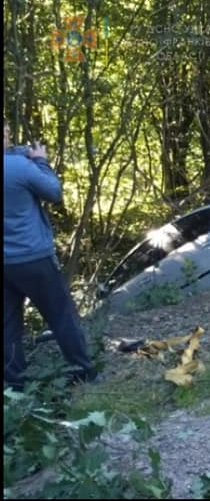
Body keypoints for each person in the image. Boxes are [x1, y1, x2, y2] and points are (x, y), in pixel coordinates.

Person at [4, 117, 97, 391]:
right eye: (6, 131)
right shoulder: (21, 167)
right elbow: (54, 192)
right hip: (33, 257)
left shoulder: (17, 162)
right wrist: (41, 160)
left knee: (8, 327)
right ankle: (83, 372)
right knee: (61, 315)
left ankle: (15, 388)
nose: (9, 134)